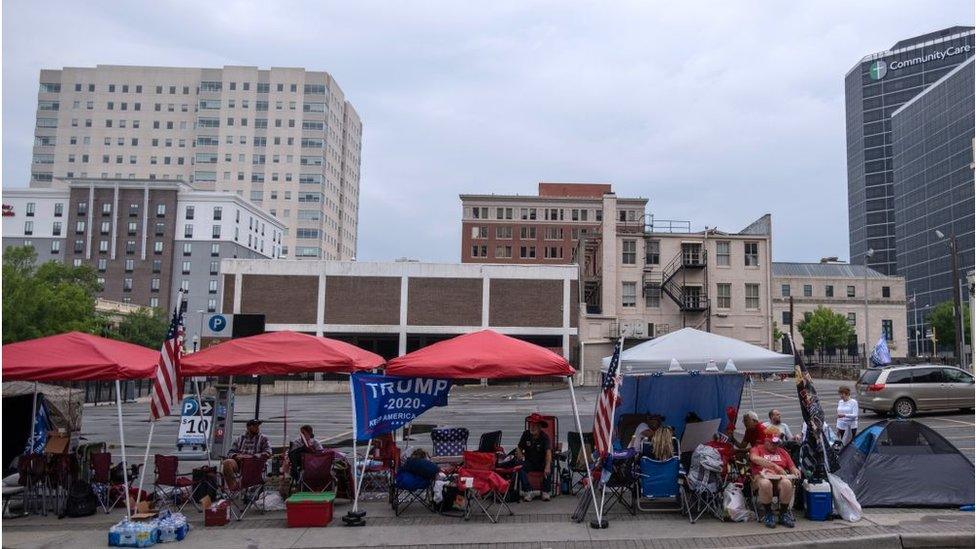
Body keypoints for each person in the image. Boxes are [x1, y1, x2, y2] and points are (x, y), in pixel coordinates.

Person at [749, 427, 800, 529]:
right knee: (765, 483)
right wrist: (775, 466)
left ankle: (783, 514)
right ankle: (768, 513)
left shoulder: (782, 451)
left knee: (787, 483)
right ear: (766, 441)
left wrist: (796, 471)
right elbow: (754, 458)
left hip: (779, 480)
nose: (775, 446)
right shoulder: (757, 449)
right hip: (761, 478)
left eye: (777, 443)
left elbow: (792, 466)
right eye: (772, 443)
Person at [222, 419, 272, 491]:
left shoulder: (263, 438)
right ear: (248, 427)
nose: (257, 428)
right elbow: (230, 452)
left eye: (258, 426)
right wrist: (236, 456)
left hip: (255, 463)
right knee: (227, 463)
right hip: (240, 463)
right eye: (255, 426)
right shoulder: (239, 439)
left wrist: (254, 456)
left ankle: (245, 487)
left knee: (249, 462)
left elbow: (268, 452)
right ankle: (233, 489)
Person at [516, 413, 552, 501]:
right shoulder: (526, 434)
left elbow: (548, 452)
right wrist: (519, 453)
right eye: (531, 425)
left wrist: (547, 466)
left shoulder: (545, 437)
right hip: (530, 462)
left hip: (541, 462)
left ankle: (545, 491)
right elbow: (519, 447)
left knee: (549, 464)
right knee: (519, 465)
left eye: (535, 425)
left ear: (539, 427)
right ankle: (528, 491)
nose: (532, 427)